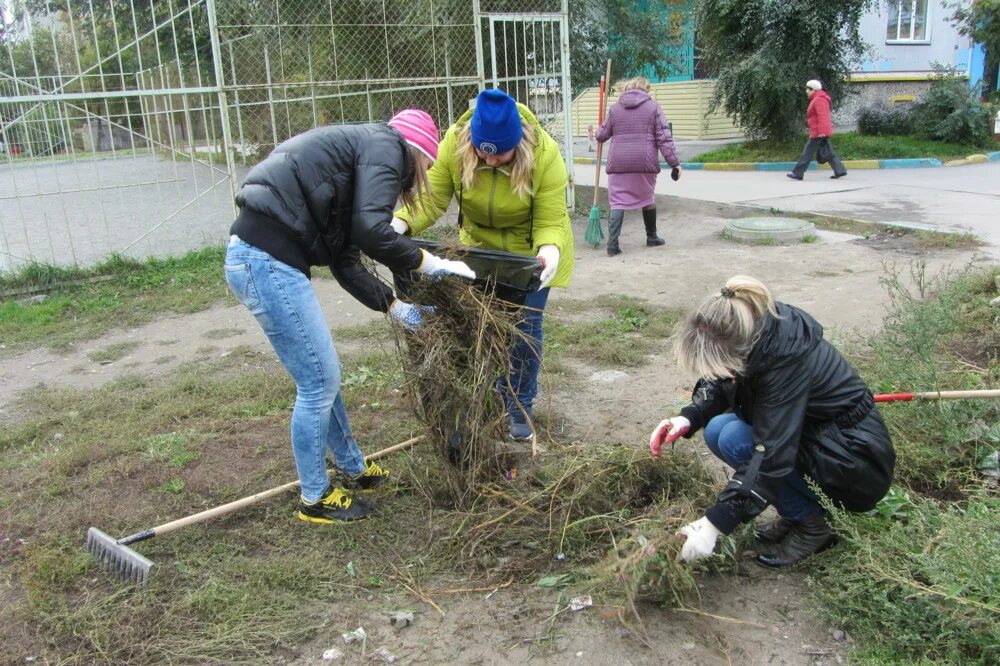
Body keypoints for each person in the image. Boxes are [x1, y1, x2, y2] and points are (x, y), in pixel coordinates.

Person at [224, 109, 476, 525]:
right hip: (265, 260)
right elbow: (371, 230)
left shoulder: (360, 155)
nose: (422, 176)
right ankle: (315, 497)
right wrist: (426, 262)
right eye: (428, 166)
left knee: (321, 374)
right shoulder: (387, 146)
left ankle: (354, 468)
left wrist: (396, 307)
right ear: (418, 152)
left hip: (262, 258)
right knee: (318, 381)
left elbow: (345, 259)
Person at [649, 276, 895, 567]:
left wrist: (714, 524)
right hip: (811, 439)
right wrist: (688, 417)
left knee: (735, 440)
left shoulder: (785, 363)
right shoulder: (750, 332)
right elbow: (722, 379)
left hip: (852, 460)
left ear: (740, 350)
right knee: (717, 429)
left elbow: (770, 455)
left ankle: (814, 528)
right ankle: (798, 512)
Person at [391, 89, 575, 441]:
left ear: (517, 144)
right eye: (483, 153)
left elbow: (551, 219)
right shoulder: (454, 146)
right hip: (480, 253)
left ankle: (519, 405)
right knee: (483, 328)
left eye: (500, 154)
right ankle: (489, 398)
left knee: (524, 329)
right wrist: (399, 224)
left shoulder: (544, 154)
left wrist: (550, 251)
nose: (490, 161)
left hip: (530, 255)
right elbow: (432, 200)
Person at [595, 76, 681, 256]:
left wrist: (598, 128)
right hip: (644, 163)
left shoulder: (614, 109)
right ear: (645, 89)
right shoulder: (653, 108)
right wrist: (675, 163)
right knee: (647, 199)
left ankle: (612, 245)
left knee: (617, 202)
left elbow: (601, 135)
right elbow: (664, 138)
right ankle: (652, 237)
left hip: (618, 164)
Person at [788, 79, 847, 181]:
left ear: (813, 90)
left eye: (808, 89)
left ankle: (798, 173)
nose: (806, 91)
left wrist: (822, 132)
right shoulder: (817, 99)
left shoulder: (819, 99)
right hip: (819, 131)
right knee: (829, 151)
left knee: (807, 153)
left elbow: (823, 116)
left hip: (818, 132)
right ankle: (840, 170)